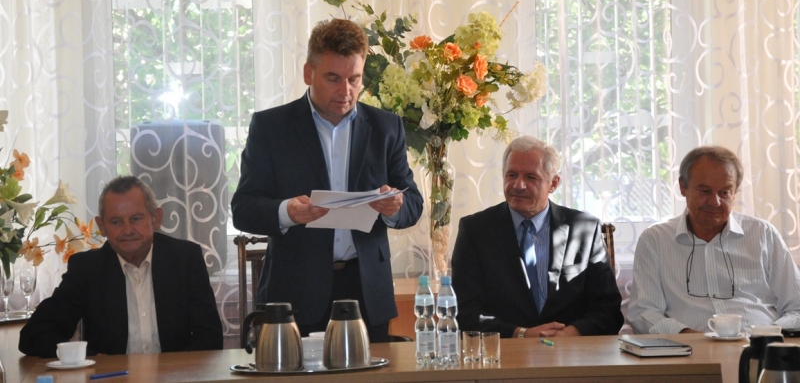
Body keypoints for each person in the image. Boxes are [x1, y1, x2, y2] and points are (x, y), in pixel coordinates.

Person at [231, 18, 423, 342]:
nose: (345, 91)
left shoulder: (386, 127)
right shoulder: (271, 127)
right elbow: (243, 208)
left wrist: (395, 206)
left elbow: (413, 203)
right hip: (294, 292)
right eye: (333, 78)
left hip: (366, 291)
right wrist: (287, 212)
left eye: (354, 79)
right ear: (309, 73)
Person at [19, 176, 222, 357]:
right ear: (102, 227)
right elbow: (34, 335)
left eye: (136, 219)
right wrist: (90, 358)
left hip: (174, 378)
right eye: (116, 222)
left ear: (155, 218)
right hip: (111, 378)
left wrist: (174, 372)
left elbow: (210, 337)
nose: (127, 230)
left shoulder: (185, 259)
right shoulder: (87, 269)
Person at [451, 136, 623, 338]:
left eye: (531, 177)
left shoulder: (584, 229)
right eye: (512, 175)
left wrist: (572, 333)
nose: (518, 185)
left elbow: (608, 309)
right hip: (505, 351)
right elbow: (464, 311)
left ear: (553, 183)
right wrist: (521, 334)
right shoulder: (476, 230)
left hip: (572, 352)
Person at [628, 146, 800, 334]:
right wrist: (686, 336)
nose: (715, 202)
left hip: (760, 346)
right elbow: (643, 312)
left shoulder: (763, 234)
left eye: (724, 192)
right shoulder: (655, 240)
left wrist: (767, 335)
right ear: (683, 187)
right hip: (688, 348)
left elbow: (797, 306)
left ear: (735, 192)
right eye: (704, 191)